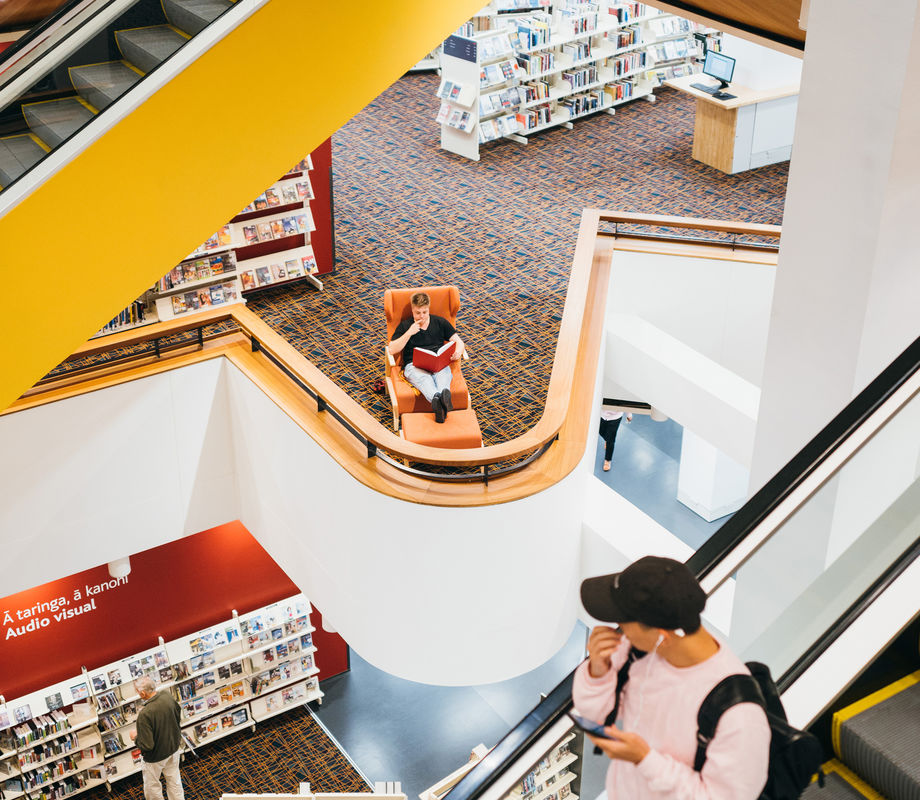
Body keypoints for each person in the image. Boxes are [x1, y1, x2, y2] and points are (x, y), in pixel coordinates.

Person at [573, 556, 770, 800]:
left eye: (624, 620)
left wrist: (645, 759)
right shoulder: (640, 651)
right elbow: (598, 715)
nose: (617, 626)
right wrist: (599, 670)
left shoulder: (740, 718)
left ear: (662, 636)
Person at [388, 292, 465, 423]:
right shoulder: (406, 326)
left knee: (443, 377)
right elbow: (392, 349)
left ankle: (439, 403)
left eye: (425, 312)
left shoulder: (440, 322)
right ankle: (441, 402)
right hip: (414, 365)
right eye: (418, 313)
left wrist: (458, 351)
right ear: (412, 310)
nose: (422, 316)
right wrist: (409, 332)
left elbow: (459, 341)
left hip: (438, 363)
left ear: (428, 308)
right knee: (425, 380)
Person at [130, 676, 185, 800]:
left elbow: (147, 745)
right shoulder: (167, 696)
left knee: (152, 787)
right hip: (173, 748)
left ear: (143, 693)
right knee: (174, 781)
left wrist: (135, 737)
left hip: (155, 758)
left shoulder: (145, 714)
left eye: (137, 691)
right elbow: (177, 717)